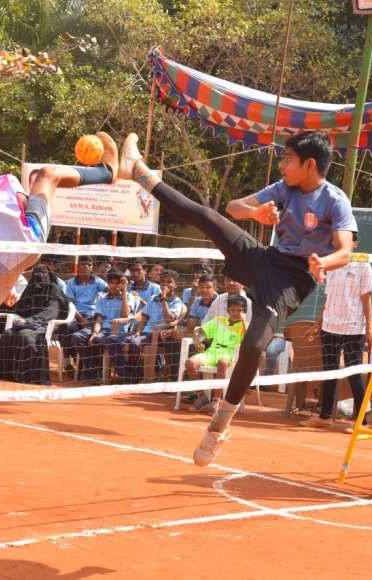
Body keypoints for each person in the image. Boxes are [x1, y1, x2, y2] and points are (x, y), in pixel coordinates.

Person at [120, 130, 356, 466]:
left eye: (288, 159)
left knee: (252, 346)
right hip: (264, 259)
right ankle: (139, 172)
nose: (282, 165)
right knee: (209, 217)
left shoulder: (334, 200)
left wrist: (324, 262)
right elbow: (233, 207)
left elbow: (345, 250)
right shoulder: (284, 188)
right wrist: (254, 214)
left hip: (292, 281)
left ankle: (219, 425)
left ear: (310, 164)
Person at [0, 132, 121, 413]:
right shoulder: (3, 186)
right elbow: (26, 202)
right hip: (27, 244)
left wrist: (7, 285)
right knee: (48, 174)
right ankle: (108, 173)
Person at [300, 233, 372, 430]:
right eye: (337, 240)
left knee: (355, 374)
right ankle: (325, 417)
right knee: (329, 372)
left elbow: (367, 301)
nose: (339, 244)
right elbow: (329, 299)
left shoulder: (363, 264)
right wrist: (316, 325)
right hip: (329, 327)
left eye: (346, 240)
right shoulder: (330, 265)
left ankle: (361, 421)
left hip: (353, 328)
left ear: (355, 244)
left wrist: (370, 329)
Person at [0, 263, 70, 385]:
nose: (39, 276)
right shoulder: (30, 289)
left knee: (25, 335)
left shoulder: (54, 289)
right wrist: (12, 310)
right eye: (36, 273)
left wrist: (30, 320)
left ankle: (29, 376)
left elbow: (50, 312)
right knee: (8, 334)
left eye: (43, 273)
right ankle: (9, 374)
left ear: (48, 274)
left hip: (47, 326)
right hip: (27, 323)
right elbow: (20, 308)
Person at [115, 269, 184, 382]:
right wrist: (138, 332)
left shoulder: (177, 302)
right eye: (162, 281)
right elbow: (144, 318)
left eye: (169, 281)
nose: (165, 284)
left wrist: (164, 299)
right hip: (146, 332)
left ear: (176, 284)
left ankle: (135, 376)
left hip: (161, 335)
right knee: (117, 340)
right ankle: (129, 374)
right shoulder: (152, 298)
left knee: (135, 344)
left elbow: (168, 319)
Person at [185, 295, 248, 414]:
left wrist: (244, 320)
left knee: (222, 362)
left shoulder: (245, 325)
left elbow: (249, 339)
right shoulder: (219, 320)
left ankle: (216, 400)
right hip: (212, 352)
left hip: (230, 355)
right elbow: (198, 331)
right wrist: (198, 341)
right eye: (233, 309)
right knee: (190, 363)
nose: (235, 313)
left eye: (239, 310)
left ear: (245, 311)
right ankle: (201, 397)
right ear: (228, 310)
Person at [72, 269, 138, 382]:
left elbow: (125, 314)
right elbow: (99, 319)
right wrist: (94, 333)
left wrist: (124, 291)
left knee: (99, 339)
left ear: (122, 283)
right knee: (78, 336)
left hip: (119, 331)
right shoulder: (102, 297)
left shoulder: (129, 297)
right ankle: (94, 372)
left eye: (117, 283)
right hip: (102, 329)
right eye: (111, 282)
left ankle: (123, 376)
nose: (113, 286)